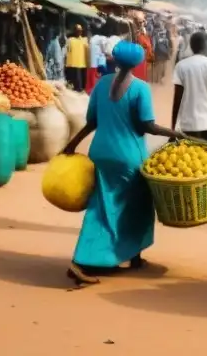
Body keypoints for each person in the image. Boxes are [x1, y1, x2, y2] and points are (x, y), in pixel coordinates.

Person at [61, 41, 184, 286]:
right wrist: (174, 133)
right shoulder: (140, 88)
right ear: (138, 63)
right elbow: (145, 126)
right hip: (129, 155)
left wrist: (72, 144)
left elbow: (92, 122)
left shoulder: (101, 84)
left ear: (114, 60)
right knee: (137, 205)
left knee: (102, 205)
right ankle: (84, 260)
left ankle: (127, 256)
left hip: (102, 152)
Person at [172, 31, 207, 147]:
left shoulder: (181, 66)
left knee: (190, 160)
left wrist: (173, 129)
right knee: (205, 160)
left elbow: (177, 100)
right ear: (205, 46)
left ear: (191, 46)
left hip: (187, 123)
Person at [86, 28, 107, 92]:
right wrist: (104, 52)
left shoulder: (93, 38)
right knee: (97, 73)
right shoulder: (102, 38)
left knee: (92, 73)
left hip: (92, 58)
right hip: (96, 58)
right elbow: (103, 47)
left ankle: (91, 87)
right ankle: (95, 87)